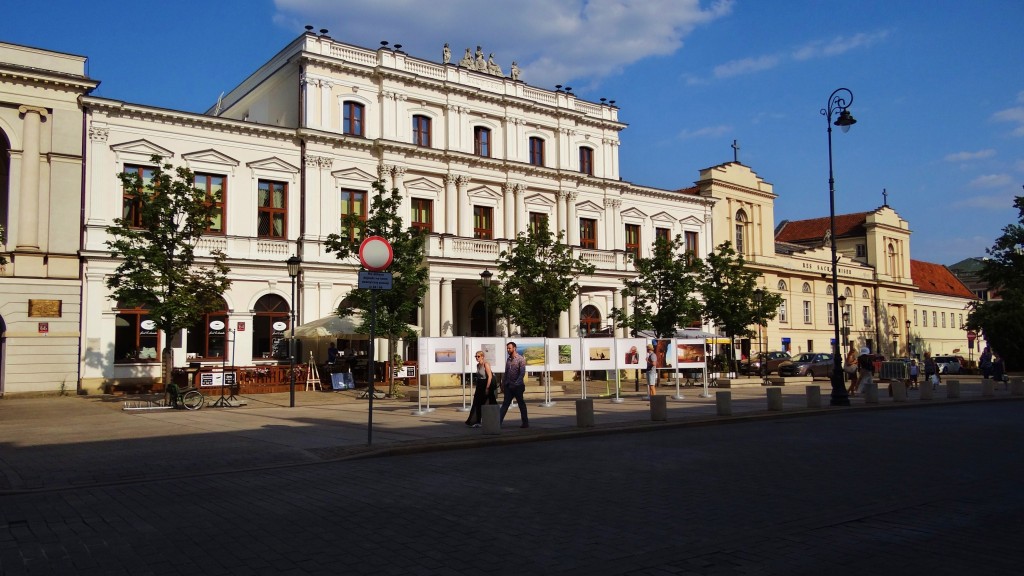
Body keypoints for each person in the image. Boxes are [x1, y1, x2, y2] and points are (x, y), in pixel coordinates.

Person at [499, 342, 529, 428]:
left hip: (518, 386)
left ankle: (525, 422)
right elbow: (506, 372)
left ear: (514, 348)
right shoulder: (508, 360)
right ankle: (498, 422)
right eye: (507, 348)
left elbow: (522, 372)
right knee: (505, 404)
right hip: (508, 386)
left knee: (521, 404)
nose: (508, 350)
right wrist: (503, 383)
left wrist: (517, 383)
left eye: (510, 348)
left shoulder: (520, 359)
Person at [465, 351, 493, 427]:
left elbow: (490, 376)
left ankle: (490, 420)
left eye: (478, 356)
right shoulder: (478, 365)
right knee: (476, 403)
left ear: (482, 356)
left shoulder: (486, 364)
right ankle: (476, 421)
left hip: (485, 384)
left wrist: (487, 388)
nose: (477, 358)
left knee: (486, 403)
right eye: (476, 356)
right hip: (479, 385)